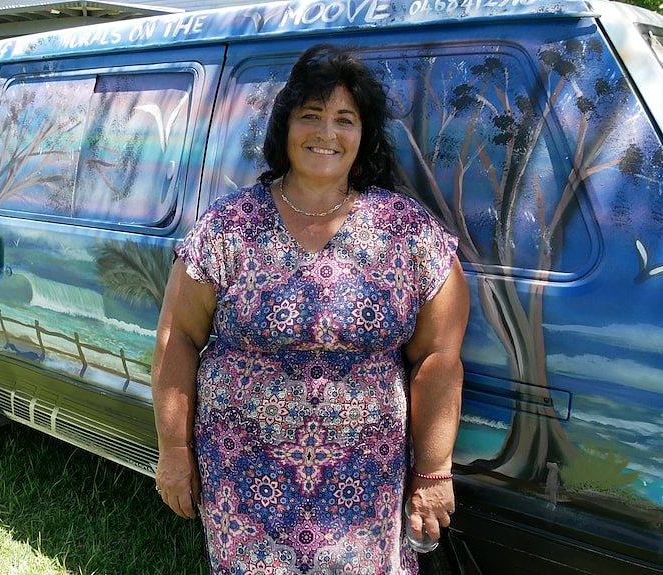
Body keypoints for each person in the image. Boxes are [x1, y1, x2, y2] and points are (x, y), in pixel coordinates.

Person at [152, 43, 469, 574]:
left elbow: (439, 355)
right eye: (311, 116)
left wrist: (434, 472)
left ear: (363, 134)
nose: (326, 133)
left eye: (345, 119)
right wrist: (174, 451)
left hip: (363, 484)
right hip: (244, 476)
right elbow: (176, 338)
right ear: (286, 127)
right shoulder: (229, 228)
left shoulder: (408, 233)